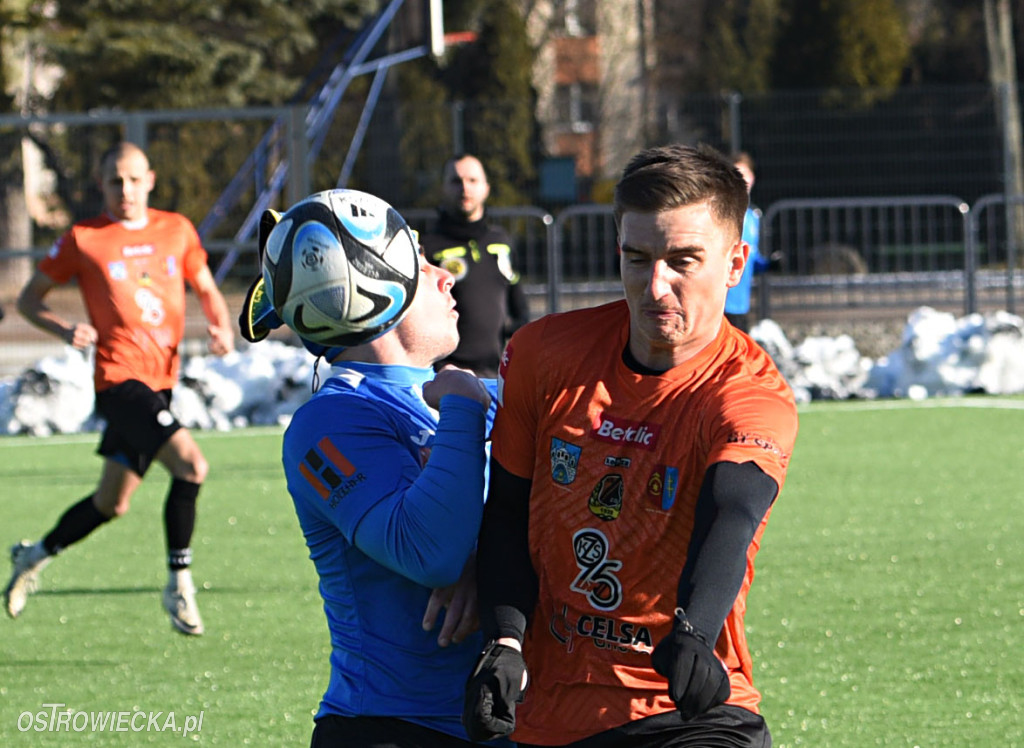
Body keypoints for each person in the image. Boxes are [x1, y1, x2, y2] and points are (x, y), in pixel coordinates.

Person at [463, 144, 800, 747]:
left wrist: (695, 633)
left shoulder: (749, 392)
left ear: (735, 262)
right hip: (553, 715)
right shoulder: (544, 354)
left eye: (683, 261)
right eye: (637, 257)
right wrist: (505, 640)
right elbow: (508, 511)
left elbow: (734, 510)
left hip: (688, 710)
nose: (655, 286)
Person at [248, 192, 499, 747]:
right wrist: (462, 408)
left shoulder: (475, 394)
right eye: (422, 260)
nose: (446, 277)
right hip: (392, 730)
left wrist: (490, 564)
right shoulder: (329, 422)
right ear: (374, 288)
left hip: (503, 722)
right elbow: (429, 550)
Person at [5, 141, 234, 636]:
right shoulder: (84, 239)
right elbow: (28, 300)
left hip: (162, 382)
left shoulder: (177, 230)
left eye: (132, 179)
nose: (125, 190)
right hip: (119, 380)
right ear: (101, 185)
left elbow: (206, 287)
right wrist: (66, 330)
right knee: (192, 467)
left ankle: (32, 554)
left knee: (112, 503)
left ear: (149, 179)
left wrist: (220, 326)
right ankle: (179, 585)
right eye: (114, 181)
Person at [419, 153, 530, 378]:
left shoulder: (501, 241)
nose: (464, 188)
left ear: (486, 188)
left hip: (497, 374)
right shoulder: (428, 247)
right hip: (448, 376)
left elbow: (519, 306)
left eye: (472, 180)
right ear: (443, 188)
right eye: (455, 181)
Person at [723, 151, 769, 333]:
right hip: (721, 301)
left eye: (744, 175)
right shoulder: (722, 214)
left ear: (752, 178)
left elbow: (750, 256)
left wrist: (768, 265)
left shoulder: (753, 216)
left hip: (741, 303)